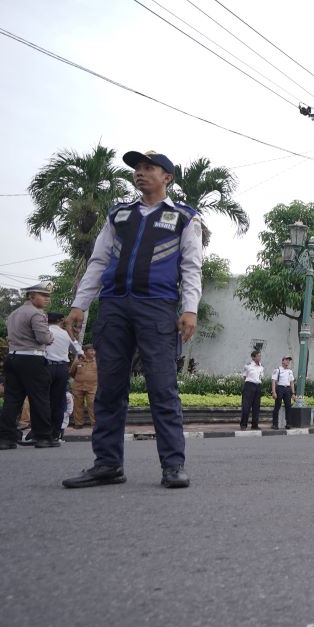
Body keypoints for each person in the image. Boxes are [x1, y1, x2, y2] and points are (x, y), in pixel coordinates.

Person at [62, 150, 203, 489]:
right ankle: (108, 464)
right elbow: (98, 262)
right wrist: (80, 304)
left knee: (162, 388)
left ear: (166, 176)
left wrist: (190, 308)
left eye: (149, 168)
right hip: (113, 307)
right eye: (137, 168)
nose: (141, 173)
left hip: (157, 307)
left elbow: (191, 266)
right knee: (109, 388)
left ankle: (173, 466)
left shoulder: (184, 217)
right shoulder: (119, 216)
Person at [0, 285, 56, 451]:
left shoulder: (14, 313)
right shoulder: (37, 313)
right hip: (32, 358)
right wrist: (50, 337)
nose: (46, 299)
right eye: (42, 295)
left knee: (12, 400)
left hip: (13, 356)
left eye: (47, 296)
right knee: (40, 398)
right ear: (31, 296)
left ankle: (5, 439)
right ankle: (43, 437)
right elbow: (43, 337)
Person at [45, 311, 74, 442]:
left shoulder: (44, 331)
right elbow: (76, 349)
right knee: (58, 401)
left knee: (43, 400)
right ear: (61, 321)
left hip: (46, 367)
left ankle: (42, 432)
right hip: (63, 368)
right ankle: (56, 433)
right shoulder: (65, 334)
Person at [69, 344, 98, 428]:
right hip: (78, 386)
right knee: (78, 405)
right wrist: (80, 379)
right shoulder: (78, 361)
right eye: (91, 350)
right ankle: (78, 423)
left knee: (92, 404)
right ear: (85, 352)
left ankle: (95, 423)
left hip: (93, 387)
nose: (93, 352)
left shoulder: (97, 361)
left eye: (94, 350)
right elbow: (72, 372)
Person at [240, 350, 264, 429]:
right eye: (258, 356)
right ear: (253, 357)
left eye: (260, 356)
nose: (259, 357)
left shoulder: (261, 367)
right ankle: (243, 424)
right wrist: (246, 387)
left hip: (258, 386)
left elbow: (261, 377)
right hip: (249, 386)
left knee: (256, 407)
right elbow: (244, 377)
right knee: (246, 406)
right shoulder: (248, 366)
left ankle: (255, 425)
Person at [271, 355, 294, 428]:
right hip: (280, 388)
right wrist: (274, 392)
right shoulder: (277, 370)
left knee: (288, 406)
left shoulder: (290, 371)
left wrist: (293, 393)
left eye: (289, 360)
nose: (288, 361)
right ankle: (275, 424)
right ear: (283, 361)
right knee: (277, 406)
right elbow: (273, 381)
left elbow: (292, 382)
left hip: (287, 389)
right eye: (286, 360)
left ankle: (288, 423)